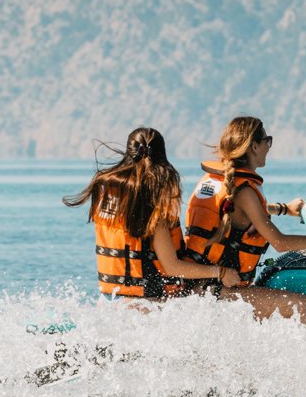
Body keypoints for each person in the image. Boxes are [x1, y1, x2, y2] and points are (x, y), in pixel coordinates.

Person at [184, 115, 306, 330]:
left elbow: (236, 213)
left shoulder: (212, 181)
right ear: (254, 146)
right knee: (303, 306)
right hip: (216, 290)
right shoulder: (244, 191)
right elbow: (280, 242)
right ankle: (304, 354)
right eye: (267, 141)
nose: (269, 147)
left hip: (198, 286)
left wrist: (283, 209)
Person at [63, 127, 242, 299]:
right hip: (151, 302)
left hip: (113, 298)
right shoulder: (150, 207)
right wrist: (221, 272)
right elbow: (172, 267)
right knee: (256, 298)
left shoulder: (107, 193)